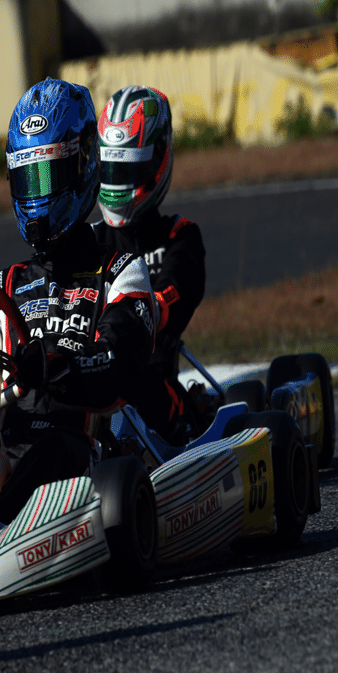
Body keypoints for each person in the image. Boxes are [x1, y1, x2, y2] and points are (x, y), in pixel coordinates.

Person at [0, 78, 156, 524]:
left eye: (48, 176)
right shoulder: (2, 286)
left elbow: (120, 358)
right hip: (8, 451)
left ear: (82, 166)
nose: (37, 193)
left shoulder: (120, 272)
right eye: (26, 178)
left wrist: (58, 365)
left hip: (88, 457)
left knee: (55, 448)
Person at [91, 85, 206, 444]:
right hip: (86, 381)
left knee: (129, 373)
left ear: (159, 159)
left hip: (154, 390)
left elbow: (177, 291)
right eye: (111, 169)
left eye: (129, 170)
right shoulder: (90, 243)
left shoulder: (179, 236)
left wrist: (144, 311)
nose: (117, 183)